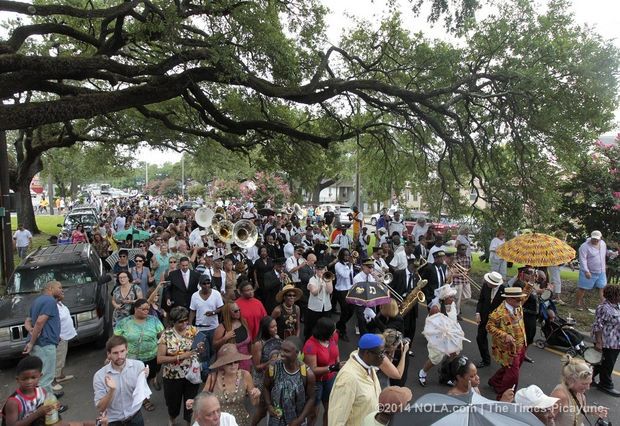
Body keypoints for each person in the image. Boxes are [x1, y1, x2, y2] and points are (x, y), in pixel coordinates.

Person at [114, 298, 165, 410]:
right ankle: (144, 400)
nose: (146, 311)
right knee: (139, 380)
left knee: (150, 376)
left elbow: (162, 336)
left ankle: (143, 391)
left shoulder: (154, 320)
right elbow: (116, 339)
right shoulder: (125, 322)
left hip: (152, 357)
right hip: (133, 359)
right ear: (136, 309)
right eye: (143, 309)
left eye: (148, 309)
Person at [157, 306, 201, 426]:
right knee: (173, 403)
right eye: (180, 321)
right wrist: (180, 357)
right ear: (173, 322)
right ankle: (172, 419)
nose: (184, 323)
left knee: (191, 403)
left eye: (186, 320)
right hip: (172, 376)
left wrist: (201, 348)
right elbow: (160, 359)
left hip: (191, 374)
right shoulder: (166, 335)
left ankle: (189, 422)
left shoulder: (193, 331)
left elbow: (200, 349)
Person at [23, 281, 65, 406]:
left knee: (42, 374)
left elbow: (28, 321)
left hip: (39, 345)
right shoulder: (49, 301)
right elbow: (40, 322)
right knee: (46, 377)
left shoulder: (37, 301)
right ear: (51, 288)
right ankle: (50, 407)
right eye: (60, 287)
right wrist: (31, 342)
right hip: (45, 345)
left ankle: (50, 396)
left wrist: (31, 330)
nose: (62, 290)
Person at [328, 334, 384, 426]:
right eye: (381, 353)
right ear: (367, 354)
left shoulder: (369, 366)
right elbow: (337, 420)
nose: (384, 357)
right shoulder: (348, 379)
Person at [93, 335, 148, 426]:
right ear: (108, 354)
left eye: (122, 351)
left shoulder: (138, 366)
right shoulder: (99, 376)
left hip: (135, 417)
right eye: (115, 353)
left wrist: (144, 376)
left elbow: (141, 392)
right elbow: (100, 408)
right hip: (114, 421)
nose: (119, 356)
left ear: (127, 350)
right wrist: (111, 391)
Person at [203, 344, 260, 426]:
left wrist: (257, 396)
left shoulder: (245, 375)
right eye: (229, 363)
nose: (233, 365)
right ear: (222, 364)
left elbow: (255, 403)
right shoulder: (213, 377)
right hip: (219, 422)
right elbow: (201, 400)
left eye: (236, 362)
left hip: (240, 421)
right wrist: (193, 402)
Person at [486, 286, 527, 400]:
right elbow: (489, 327)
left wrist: (531, 283)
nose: (520, 301)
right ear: (509, 299)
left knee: (509, 368)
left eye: (520, 299)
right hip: (509, 349)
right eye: (518, 299)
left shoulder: (517, 305)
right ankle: (503, 398)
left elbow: (526, 294)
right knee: (513, 376)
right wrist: (505, 335)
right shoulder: (498, 313)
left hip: (521, 345)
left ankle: (494, 381)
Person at [264, 337, 315, 426]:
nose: (281, 354)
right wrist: (269, 405)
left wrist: (300, 420)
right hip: (275, 420)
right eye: (281, 349)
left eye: (286, 351)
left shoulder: (307, 374)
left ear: (297, 353)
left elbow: (311, 398)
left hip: (296, 421)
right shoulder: (273, 368)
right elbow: (265, 387)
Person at [418, 284, 461, 387]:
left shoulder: (452, 304)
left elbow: (453, 319)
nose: (453, 298)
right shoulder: (435, 309)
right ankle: (423, 372)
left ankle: (445, 376)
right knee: (435, 358)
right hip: (439, 337)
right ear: (444, 299)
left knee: (453, 355)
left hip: (451, 335)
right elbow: (431, 325)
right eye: (450, 297)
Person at [302, 318, 340, 426]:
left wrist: (338, 365)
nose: (335, 331)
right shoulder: (310, 345)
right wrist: (332, 367)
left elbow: (336, 353)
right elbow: (312, 369)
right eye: (333, 329)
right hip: (316, 382)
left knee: (330, 410)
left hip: (330, 379)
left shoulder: (333, 337)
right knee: (313, 412)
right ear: (326, 331)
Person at [551, 355, 609, 426]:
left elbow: (576, 409)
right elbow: (546, 419)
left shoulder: (578, 391)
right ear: (571, 380)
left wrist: (592, 410)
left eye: (589, 383)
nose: (588, 388)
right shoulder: (560, 395)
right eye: (584, 384)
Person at [1, 356, 55, 426]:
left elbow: (43, 409)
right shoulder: (13, 402)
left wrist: (52, 407)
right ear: (18, 379)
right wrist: (37, 414)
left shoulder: (42, 392)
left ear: (40, 376)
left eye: (33, 377)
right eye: (24, 379)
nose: (29, 382)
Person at [250, 316, 282, 426]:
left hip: (274, 376)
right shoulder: (258, 344)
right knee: (263, 409)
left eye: (276, 325)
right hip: (262, 379)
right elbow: (257, 367)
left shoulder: (277, 338)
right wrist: (270, 362)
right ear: (265, 329)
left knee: (273, 405)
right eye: (272, 327)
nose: (276, 328)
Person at [591, 284, 620, 396]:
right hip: (607, 341)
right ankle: (605, 384)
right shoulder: (603, 307)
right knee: (608, 364)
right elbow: (598, 325)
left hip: (615, 341)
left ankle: (589, 377)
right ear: (613, 296)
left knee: (600, 362)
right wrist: (598, 342)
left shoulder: (617, 305)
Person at [447, 355, 513, 401]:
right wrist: (502, 403)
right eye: (472, 376)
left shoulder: (475, 389)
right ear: (459, 377)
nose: (477, 378)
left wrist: (502, 402)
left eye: (476, 374)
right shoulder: (452, 397)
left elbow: (482, 407)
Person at [475, 271, 505, 368]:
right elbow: (481, 300)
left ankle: (504, 360)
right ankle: (485, 360)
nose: (486, 283)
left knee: (500, 341)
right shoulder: (485, 286)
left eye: (489, 282)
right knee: (480, 338)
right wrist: (478, 313)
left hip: (497, 320)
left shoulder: (504, 290)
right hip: (484, 317)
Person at [213, 303, 253, 372]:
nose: (238, 312)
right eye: (235, 311)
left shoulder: (243, 322)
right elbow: (214, 346)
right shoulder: (222, 327)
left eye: (239, 310)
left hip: (245, 362)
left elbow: (249, 344)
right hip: (230, 365)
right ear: (228, 313)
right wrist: (225, 338)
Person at [391, 258, 420, 351]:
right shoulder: (399, 274)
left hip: (412, 305)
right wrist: (396, 300)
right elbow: (391, 289)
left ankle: (408, 348)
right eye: (414, 266)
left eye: (417, 267)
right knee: (401, 327)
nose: (416, 269)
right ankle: (397, 347)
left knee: (412, 328)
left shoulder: (417, 276)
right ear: (409, 264)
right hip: (400, 303)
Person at [576, 230, 608, 310]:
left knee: (602, 287)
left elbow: (605, 253)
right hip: (589, 271)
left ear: (600, 238)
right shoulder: (584, 246)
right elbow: (582, 260)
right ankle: (578, 303)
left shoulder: (603, 244)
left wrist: (611, 253)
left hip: (601, 271)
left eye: (598, 239)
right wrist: (586, 271)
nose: (596, 240)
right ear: (591, 237)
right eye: (594, 238)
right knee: (582, 288)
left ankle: (603, 305)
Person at [305, 262, 334, 342]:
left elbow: (330, 291)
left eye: (322, 269)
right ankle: (309, 341)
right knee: (312, 326)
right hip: (314, 308)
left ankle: (322, 340)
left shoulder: (328, 278)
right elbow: (314, 293)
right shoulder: (312, 279)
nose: (321, 271)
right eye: (319, 269)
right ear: (316, 270)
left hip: (326, 307)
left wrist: (327, 281)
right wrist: (321, 285)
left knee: (325, 326)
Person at [451, 243, 472, 318]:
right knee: (458, 297)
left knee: (468, 296)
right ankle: (456, 314)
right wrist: (459, 273)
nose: (464, 251)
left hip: (465, 279)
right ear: (458, 250)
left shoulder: (468, 257)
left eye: (465, 249)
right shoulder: (454, 257)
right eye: (462, 249)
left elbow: (469, 268)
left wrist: (467, 272)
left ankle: (456, 306)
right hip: (457, 280)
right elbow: (452, 270)